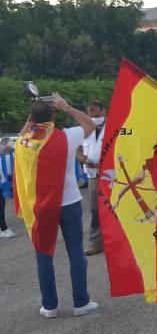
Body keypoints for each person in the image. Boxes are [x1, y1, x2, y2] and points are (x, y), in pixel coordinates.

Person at [13, 93, 98, 318]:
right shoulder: (66, 136)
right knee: (75, 253)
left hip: (41, 207)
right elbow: (89, 123)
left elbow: (24, 133)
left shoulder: (24, 142)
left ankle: (49, 306)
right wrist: (66, 106)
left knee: (43, 256)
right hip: (69, 203)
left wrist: (31, 118)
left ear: (31, 119)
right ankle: (81, 302)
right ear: (53, 115)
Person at [76, 101, 106, 256]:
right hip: (93, 176)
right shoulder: (84, 130)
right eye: (91, 116)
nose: (94, 118)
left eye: (97, 115)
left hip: (112, 175)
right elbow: (76, 148)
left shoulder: (114, 127)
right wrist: (83, 159)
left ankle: (119, 240)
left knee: (116, 208)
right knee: (95, 210)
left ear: (104, 111)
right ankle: (96, 243)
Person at [0, 140, 16, 238]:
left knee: (2, 205)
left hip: (4, 182)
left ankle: (3, 228)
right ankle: (4, 229)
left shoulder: (9, 153)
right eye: (9, 143)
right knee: (1, 205)